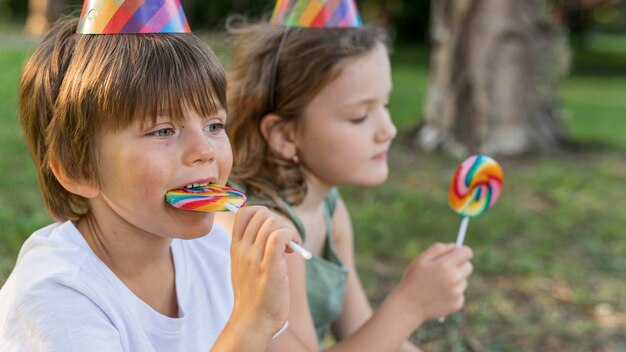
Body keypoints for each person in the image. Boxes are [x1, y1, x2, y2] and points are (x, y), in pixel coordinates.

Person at [0, 6, 300, 351]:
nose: (204, 151)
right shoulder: (56, 293)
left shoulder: (216, 254)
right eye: (163, 131)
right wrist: (252, 322)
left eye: (214, 125)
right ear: (78, 169)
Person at [217, 3, 475, 351]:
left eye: (384, 105)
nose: (389, 130)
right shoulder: (266, 229)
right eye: (359, 116)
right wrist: (410, 305)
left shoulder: (329, 209)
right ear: (284, 135)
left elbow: (370, 335)